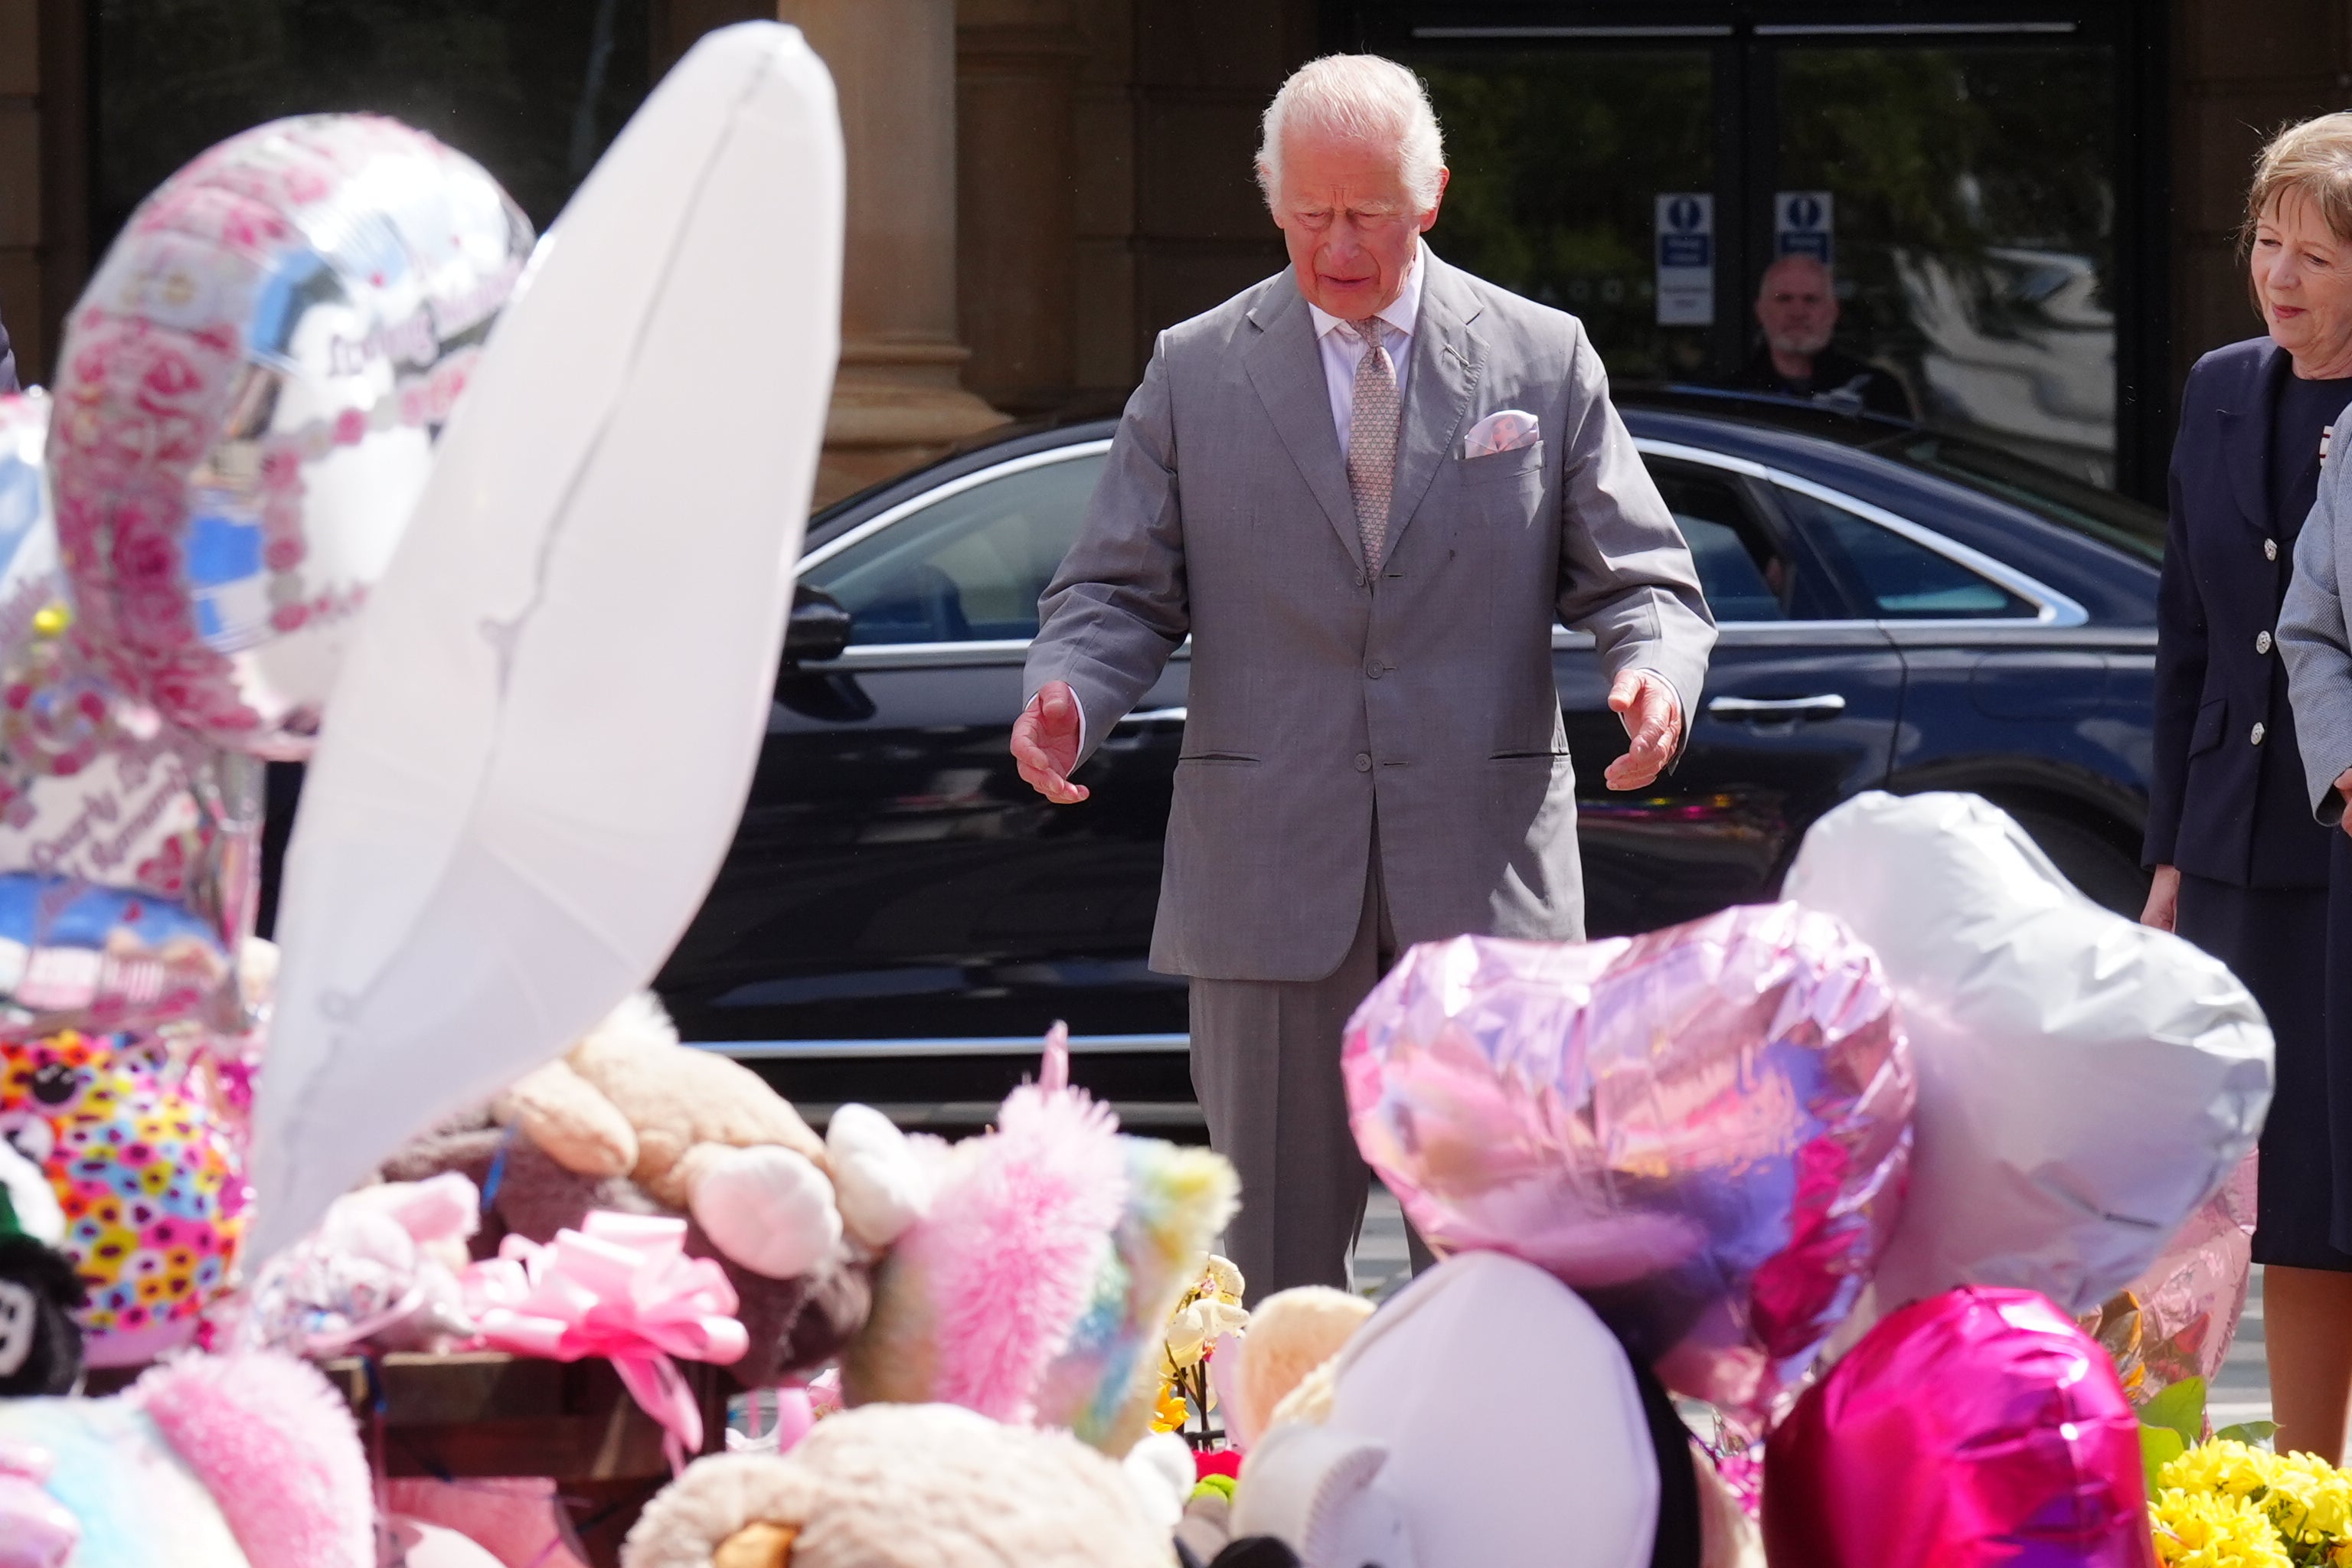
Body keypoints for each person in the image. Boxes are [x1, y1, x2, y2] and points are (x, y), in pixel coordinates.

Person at [1010, 54, 1716, 1301]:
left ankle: (1499, 1490)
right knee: (1273, 1280)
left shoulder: (1541, 359)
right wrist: (1070, 690)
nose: (1337, 244)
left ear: (1430, 195)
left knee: (1505, 1266)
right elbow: (1114, 588)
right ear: (1271, 201)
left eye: (1368, 213)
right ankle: (1285, 1498)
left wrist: (1651, 672)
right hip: (1268, 872)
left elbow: (1643, 579)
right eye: (1308, 213)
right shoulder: (1195, 367)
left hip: (1484, 878)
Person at [2154, 111, 2352, 1465]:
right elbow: (2187, 638)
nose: (2278, 279)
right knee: (2260, 1190)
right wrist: (2167, 854)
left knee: (2340, 1181)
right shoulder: (2222, 385)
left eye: (2315, 257)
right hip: (2236, 844)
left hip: (2347, 837)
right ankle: (2290, 1496)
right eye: (2263, 245)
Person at [1726, 254, 1912, 419]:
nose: (1797, 312)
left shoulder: (1876, 393)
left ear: (1833, 311)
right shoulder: (1733, 398)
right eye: (1784, 299)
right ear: (1761, 311)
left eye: (1810, 300)